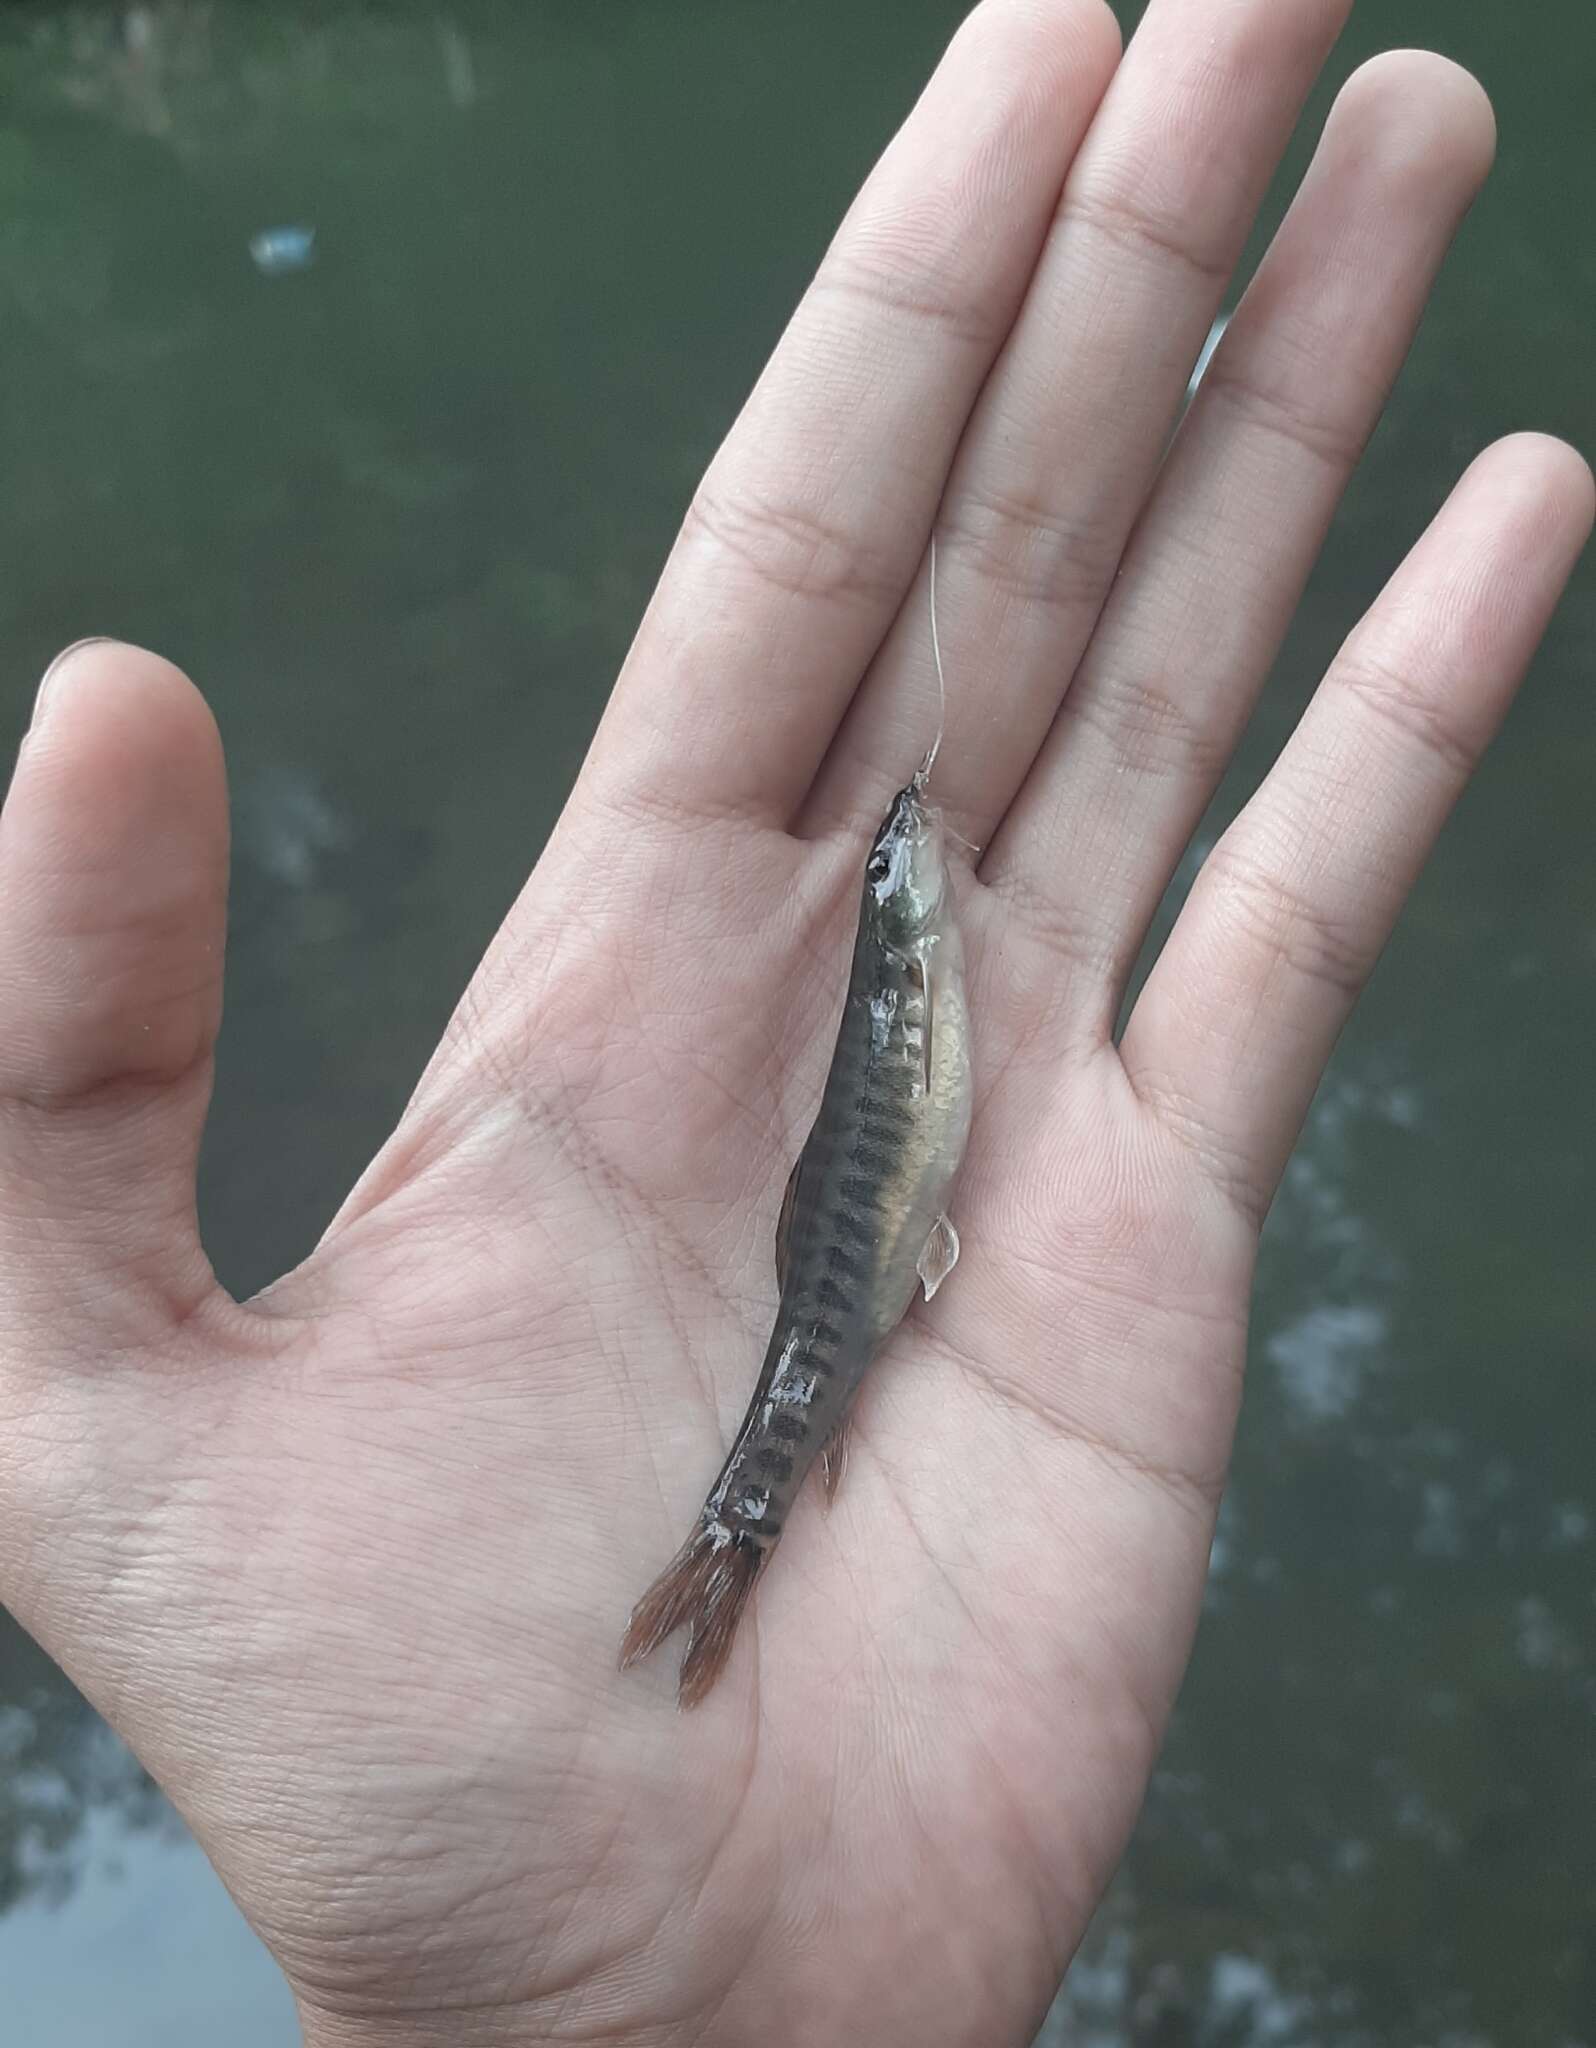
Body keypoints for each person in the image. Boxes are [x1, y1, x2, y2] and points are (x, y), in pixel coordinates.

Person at [0, 1, 1588, 2043]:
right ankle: (738, 1530)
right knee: (810, 1356)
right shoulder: (906, 930)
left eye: (890, 884)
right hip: (771, 1540)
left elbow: (892, 1082)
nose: (897, 875)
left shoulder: (912, 938)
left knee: (823, 1317)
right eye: (888, 883)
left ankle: (738, 1529)